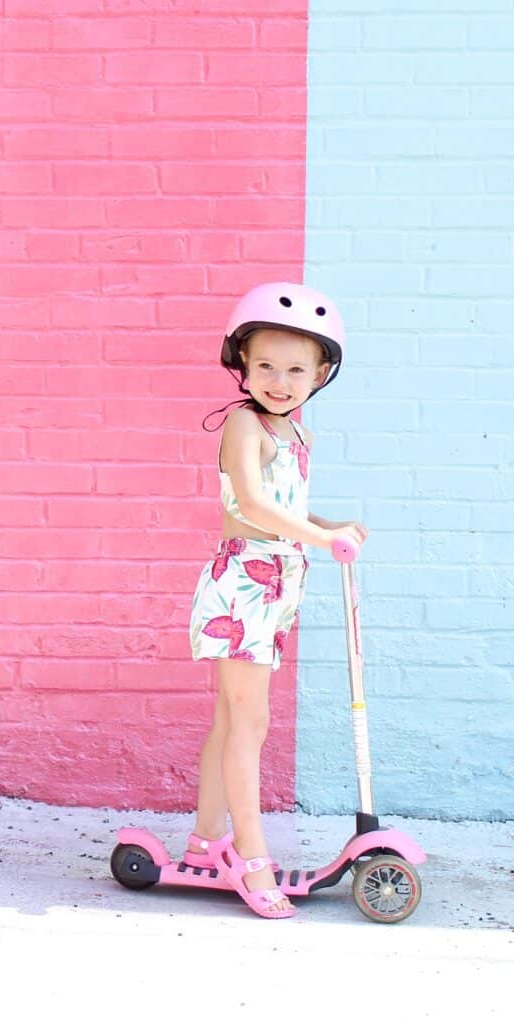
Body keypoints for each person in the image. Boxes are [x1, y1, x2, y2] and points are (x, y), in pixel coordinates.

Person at [185, 282, 367, 919]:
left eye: (296, 369)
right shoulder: (244, 423)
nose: (280, 381)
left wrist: (328, 523)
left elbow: (286, 508)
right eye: (266, 365)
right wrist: (319, 536)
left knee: (233, 720)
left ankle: (207, 840)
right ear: (242, 364)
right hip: (242, 587)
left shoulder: (300, 436)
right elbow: (254, 506)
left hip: (279, 584)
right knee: (249, 723)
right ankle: (250, 854)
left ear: (320, 374)